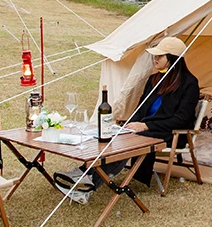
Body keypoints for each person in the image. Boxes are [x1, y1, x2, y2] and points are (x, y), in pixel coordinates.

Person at [54, 37, 200, 202]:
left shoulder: (189, 83)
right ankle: (84, 171)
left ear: (173, 58)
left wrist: (144, 125)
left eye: (160, 56)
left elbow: (181, 119)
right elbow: (140, 109)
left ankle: (88, 185)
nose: (155, 58)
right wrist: (129, 124)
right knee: (116, 135)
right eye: (155, 55)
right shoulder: (154, 79)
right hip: (147, 129)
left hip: (170, 133)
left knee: (129, 143)